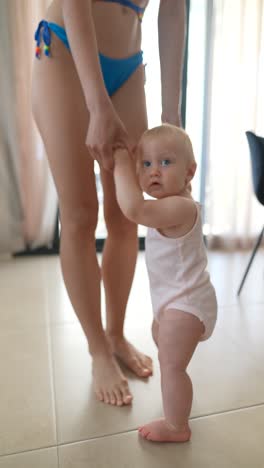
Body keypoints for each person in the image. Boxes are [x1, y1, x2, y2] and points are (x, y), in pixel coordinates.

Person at [31, 0, 186, 407]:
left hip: (129, 63)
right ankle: (97, 349)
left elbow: (172, 9)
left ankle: (115, 335)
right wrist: (98, 105)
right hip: (65, 47)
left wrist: (172, 113)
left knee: (126, 213)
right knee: (81, 213)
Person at [113, 124, 217, 442]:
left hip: (187, 304)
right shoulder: (168, 206)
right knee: (162, 343)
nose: (154, 172)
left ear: (190, 172)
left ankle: (177, 426)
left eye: (165, 162)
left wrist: (119, 159)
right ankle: (178, 393)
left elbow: (133, 209)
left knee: (171, 366)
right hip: (175, 301)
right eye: (145, 164)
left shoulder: (180, 207)